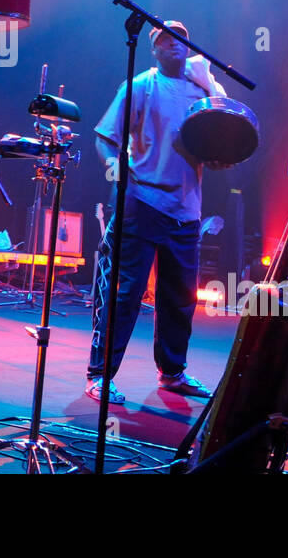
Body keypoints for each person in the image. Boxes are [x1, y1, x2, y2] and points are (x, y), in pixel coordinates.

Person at [85, 20, 225, 404]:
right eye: (164, 39)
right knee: (125, 292)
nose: (173, 44)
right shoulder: (141, 86)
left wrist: (219, 158)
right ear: (154, 49)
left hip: (186, 209)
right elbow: (105, 137)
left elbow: (215, 146)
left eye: (179, 37)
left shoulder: (204, 91)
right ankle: (100, 374)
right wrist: (118, 176)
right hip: (142, 203)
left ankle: (172, 372)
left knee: (180, 297)